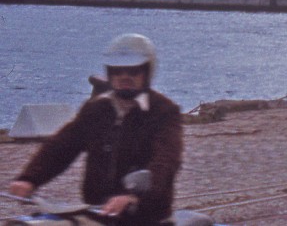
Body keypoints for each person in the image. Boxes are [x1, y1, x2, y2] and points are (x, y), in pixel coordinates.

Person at [8, 34, 183, 225]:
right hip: (98, 212)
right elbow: (62, 146)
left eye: (133, 71)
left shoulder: (164, 112)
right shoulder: (96, 109)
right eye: (117, 71)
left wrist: (133, 196)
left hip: (145, 218)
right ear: (109, 73)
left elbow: (166, 160)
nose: (124, 76)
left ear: (147, 72)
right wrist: (29, 179)